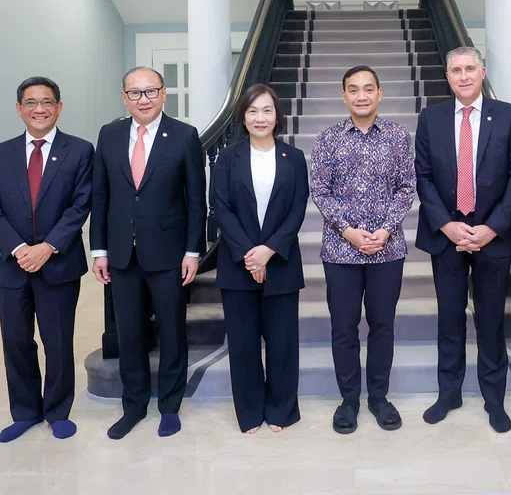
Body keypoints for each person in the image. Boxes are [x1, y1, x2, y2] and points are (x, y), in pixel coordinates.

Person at [415, 46, 511, 434]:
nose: (463, 76)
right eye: (455, 70)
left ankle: (494, 398)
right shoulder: (431, 118)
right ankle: (449, 393)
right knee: (449, 319)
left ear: (482, 72)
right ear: (447, 77)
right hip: (446, 234)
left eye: (469, 69)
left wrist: (492, 228)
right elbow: (424, 177)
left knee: (491, 319)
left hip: (492, 236)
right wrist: (446, 225)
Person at [90, 66, 207, 439]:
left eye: (151, 91)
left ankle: (169, 406)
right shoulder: (108, 135)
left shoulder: (184, 136)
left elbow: (195, 200)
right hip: (122, 254)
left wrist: (193, 251)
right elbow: (100, 197)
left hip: (169, 253)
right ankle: (134, 405)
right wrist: (99, 249)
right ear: (124, 97)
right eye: (135, 93)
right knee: (130, 334)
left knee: (172, 331)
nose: (144, 99)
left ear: (164, 94)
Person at [0, 76, 93, 443]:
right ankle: (25, 412)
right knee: (16, 342)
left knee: (58, 341)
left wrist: (47, 247)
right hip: (11, 266)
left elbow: (81, 204)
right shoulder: (0, 153)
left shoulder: (79, 150)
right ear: (19, 109)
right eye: (31, 103)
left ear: (59, 107)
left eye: (47, 102)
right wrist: (17, 248)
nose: (39, 109)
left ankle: (58, 411)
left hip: (58, 263)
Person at [310, 65, 416, 435]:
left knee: (382, 326)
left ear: (379, 94)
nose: (361, 95)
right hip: (341, 252)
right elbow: (320, 191)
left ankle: (379, 398)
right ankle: (349, 400)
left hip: (389, 250)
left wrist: (385, 230)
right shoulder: (327, 139)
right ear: (344, 96)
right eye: (353, 89)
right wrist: (350, 232)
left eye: (368, 88)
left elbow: (407, 188)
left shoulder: (400, 138)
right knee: (344, 327)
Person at [210, 84, 309, 434]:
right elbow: (220, 207)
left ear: (277, 115)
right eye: (253, 111)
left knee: (282, 344)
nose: (260, 118)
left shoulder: (294, 158)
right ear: (243, 116)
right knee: (244, 345)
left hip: (281, 262)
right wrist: (250, 255)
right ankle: (249, 412)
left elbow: (297, 208)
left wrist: (269, 250)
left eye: (267, 110)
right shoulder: (227, 158)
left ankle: (282, 410)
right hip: (238, 264)